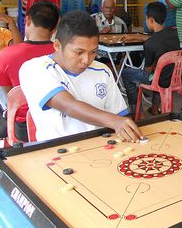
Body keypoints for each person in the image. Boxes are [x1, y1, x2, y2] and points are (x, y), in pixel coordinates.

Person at [19, 11, 141, 142]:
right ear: (57, 45)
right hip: (57, 149)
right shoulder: (34, 69)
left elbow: (120, 115)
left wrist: (124, 125)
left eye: (93, 52)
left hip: (101, 146)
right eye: (79, 52)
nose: (86, 60)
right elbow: (68, 105)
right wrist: (114, 121)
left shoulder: (102, 71)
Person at [0, 1, 60, 155]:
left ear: (28, 19)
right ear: (55, 27)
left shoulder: (8, 53)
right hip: (58, 119)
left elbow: (10, 95)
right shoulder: (62, 52)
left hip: (23, 124)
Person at [122, 2, 181, 115]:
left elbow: (147, 70)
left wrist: (153, 67)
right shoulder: (175, 33)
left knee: (126, 73)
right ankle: (154, 108)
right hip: (177, 77)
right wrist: (136, 37)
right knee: (160, 70)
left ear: (151, 20)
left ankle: (137, 112)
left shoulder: (150, 44)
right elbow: (159, 37)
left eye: (146, 18)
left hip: (160, 79)